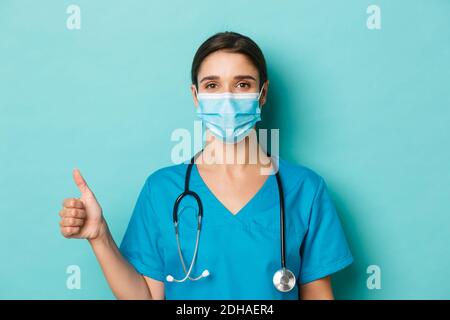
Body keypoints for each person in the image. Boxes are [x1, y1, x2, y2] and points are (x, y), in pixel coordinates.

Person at [58, 31, 353, 300]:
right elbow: (146, 297)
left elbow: (318, 295)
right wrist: (99, 236)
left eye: (242, 84)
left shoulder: (304, 189)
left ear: (262, 94)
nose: (227, 99)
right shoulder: (162, 189)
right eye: (212, 85)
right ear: (196, 96)